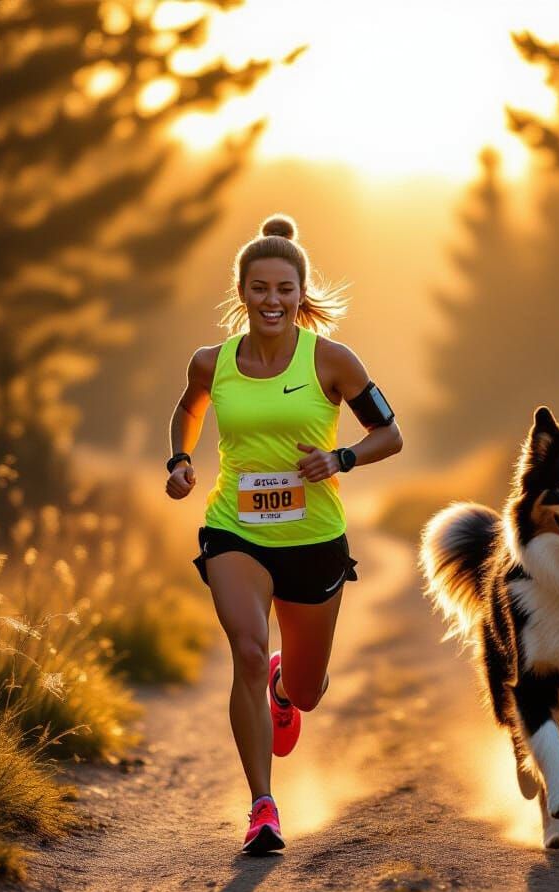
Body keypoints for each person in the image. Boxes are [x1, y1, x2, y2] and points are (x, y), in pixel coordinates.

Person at [165, 213, 403, 854]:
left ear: (301, 295)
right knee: (245, 647)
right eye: (260, 288)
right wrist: (181, 461)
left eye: (285, 290)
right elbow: (189, 411)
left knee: (307, 691)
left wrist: (342, 459)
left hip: (314, 537)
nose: (273, 301)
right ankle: (262, 808)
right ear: (241, 291)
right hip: (234, 529)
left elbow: (391, 434)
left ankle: (283, 688)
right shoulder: (212, 362)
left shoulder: (332, 359)